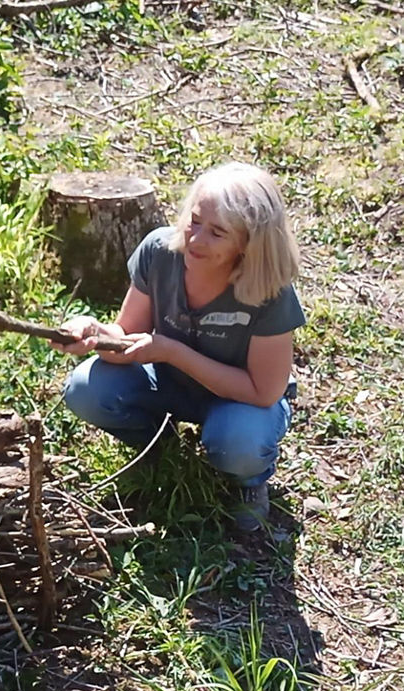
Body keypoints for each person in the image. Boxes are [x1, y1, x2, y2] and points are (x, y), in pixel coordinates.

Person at [53, 162, 304, 531]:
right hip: (169, 383)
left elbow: (263, 391)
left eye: (217, 233)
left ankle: (248, 482)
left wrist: (171, 351)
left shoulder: (270, 292)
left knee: (239, 439)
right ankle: (161, 450)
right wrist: (94, 333)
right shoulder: (160, 252)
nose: (196, 239)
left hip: (242, 402)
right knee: (86, 388)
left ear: (249, 244)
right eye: (195, 220)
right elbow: (127, 336)